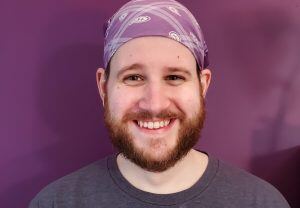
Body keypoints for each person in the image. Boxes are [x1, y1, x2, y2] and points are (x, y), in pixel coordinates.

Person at [29, 0, 291, 207]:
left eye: (174, 77)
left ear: (202, 86)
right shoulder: (55, 203)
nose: (154, 103)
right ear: (103, 87)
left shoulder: (261, 202)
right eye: (133, 77)